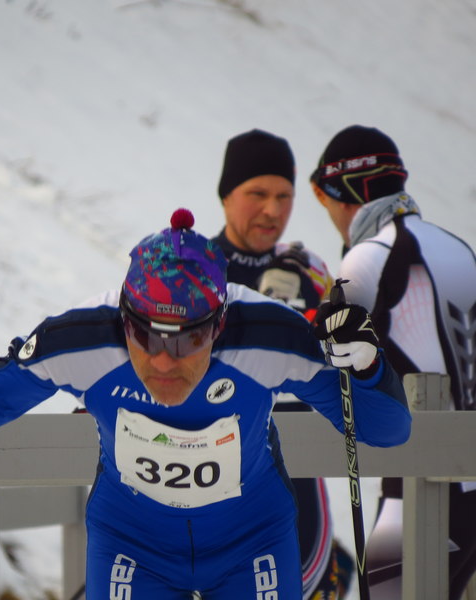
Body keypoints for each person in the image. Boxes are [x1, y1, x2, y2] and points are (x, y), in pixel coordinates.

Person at [0, 208, 411, 599]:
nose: (165, 361)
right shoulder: (81, 342)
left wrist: (367, 366)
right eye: (145, 335)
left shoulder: (269, 336)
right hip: (132, 546)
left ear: (219, 324)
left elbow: (386, 430)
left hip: (252, 541)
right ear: (123, 318)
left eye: (189, 339)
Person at [310, 124, 476, 600]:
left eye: (325, 202)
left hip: (421, 483)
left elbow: (328, 362)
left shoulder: (367, 258)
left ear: (343, 195)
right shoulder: (458, 247)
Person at [212, 128, 354, 599]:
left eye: (284, 196)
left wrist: (313, 315)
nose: (273, 210)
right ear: (226, 195)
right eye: (257, 194)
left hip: (300, 474)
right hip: (209, 473)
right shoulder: (192, 266)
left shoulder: (309, 270)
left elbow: (351, 361)